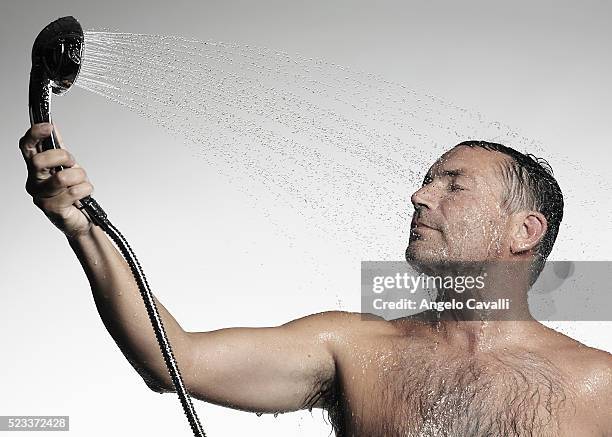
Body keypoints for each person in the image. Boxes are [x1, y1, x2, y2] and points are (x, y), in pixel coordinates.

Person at [19, 122, 612, 436]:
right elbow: (172, 359)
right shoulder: (351, 348)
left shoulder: (599, 384)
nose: (419, 195)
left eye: (452, 186)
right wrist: (79, 225)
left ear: (523, 231)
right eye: (427, 180)